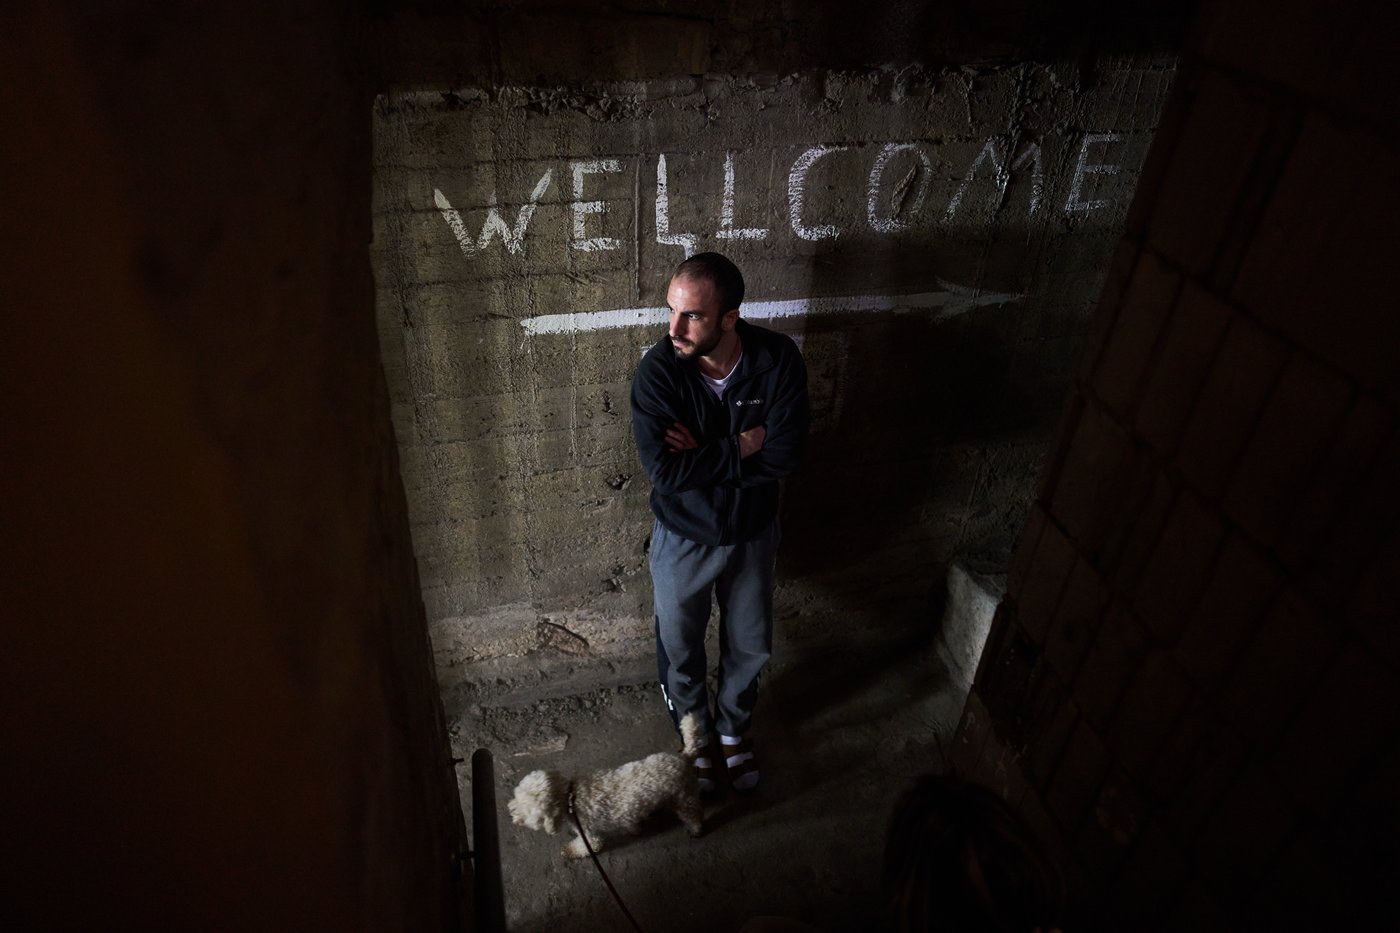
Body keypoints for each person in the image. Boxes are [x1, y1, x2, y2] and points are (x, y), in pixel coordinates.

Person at [630, 251, 810, 795]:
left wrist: (703, 456)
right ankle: (695, 738)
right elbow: (665, 472)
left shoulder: (776, 359)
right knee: (680, 647)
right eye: (671, 310)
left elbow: (785, 455)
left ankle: (732, 730)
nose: (674, 329)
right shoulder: (659, 371)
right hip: (683, 536)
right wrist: (740, 445)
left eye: (692, 316)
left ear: (730, 318)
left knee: (749, 643)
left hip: (753, 532)